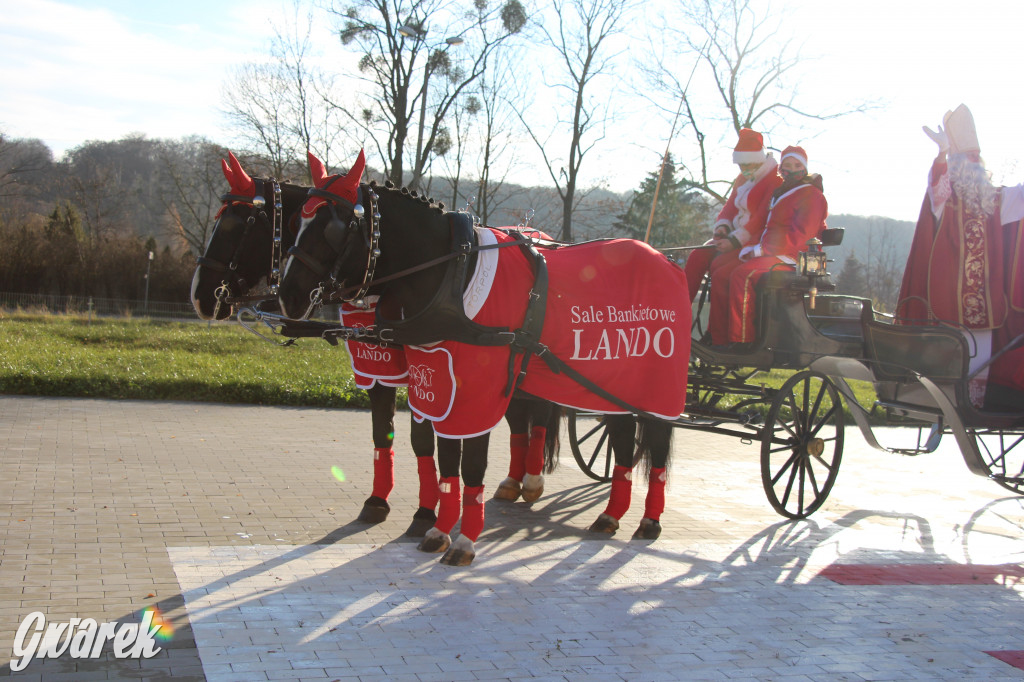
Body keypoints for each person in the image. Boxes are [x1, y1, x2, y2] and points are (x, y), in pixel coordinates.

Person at [896, 104, 1024, 406]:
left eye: (973, 160)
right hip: (947, 299)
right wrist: (942, 155)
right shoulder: (946, 198)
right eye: (962, 160)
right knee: (952, 358)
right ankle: (949, 404)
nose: (968, 166)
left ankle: (973, 405)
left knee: (979, 358)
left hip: (986, 300)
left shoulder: (994, 200)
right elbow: (936, 187)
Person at [707, 145, 828, 346]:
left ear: (805, 168)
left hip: (793, 257)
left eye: (797, 165)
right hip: (771, 252)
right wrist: (750, 246)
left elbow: (801, 237)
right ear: (781, 168)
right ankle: (717, 338)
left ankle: (742, 341)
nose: (792, 169)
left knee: (742, 275)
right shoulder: (782, 192)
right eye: (787, 165)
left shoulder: (812, 195)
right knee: (721, 274)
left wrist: (761, 250)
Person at [683, 128, 782, 304]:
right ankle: (679, 308)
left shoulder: (774, 179)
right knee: (697, 256)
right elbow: (729, 208)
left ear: (758, 160)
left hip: (752, 240)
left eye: (747, 165)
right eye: (741, 166)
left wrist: (735, 241)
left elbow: (761, 218)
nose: (744, 170)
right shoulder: (742, 178)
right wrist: (723, 227)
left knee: (720, 271)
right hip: (732, 235)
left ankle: (718, 321)